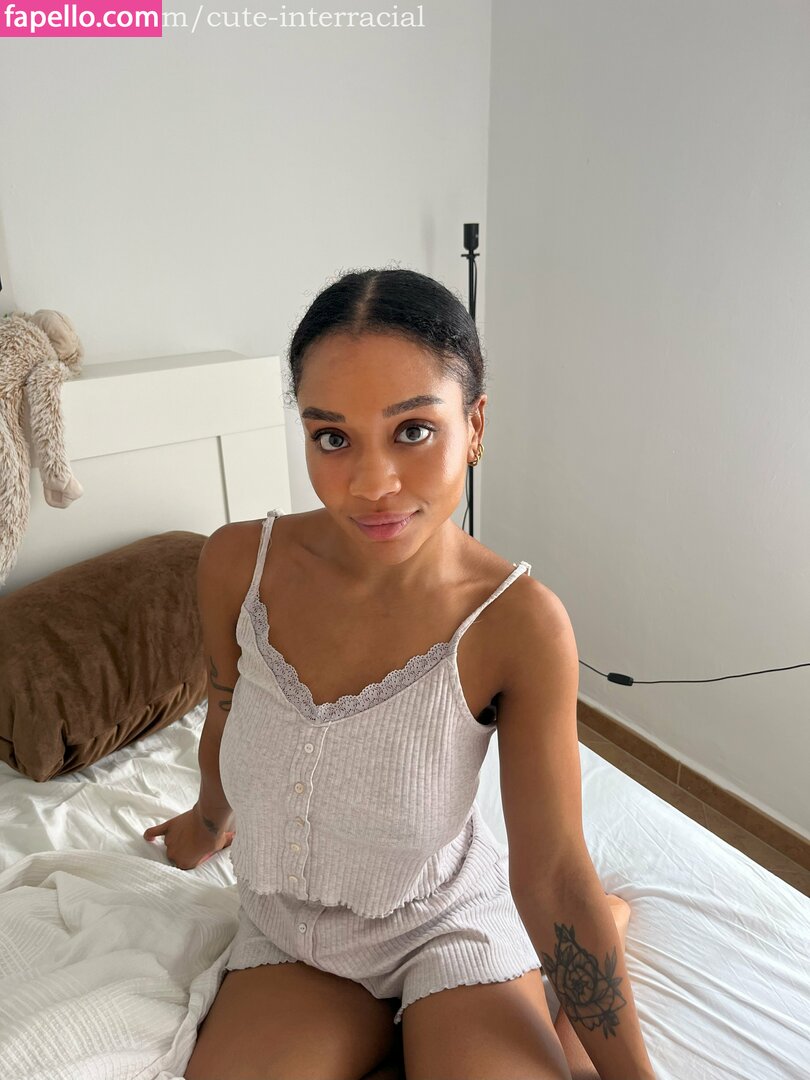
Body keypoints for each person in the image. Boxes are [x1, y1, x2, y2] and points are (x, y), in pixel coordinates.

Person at [144, 268, 656, 1080]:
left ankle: (544, 1000)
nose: (372, 485)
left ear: (474, 426)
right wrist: (206, 825)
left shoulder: (517, 624)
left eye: (413, 430)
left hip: (444, 925)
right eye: (332, 438)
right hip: (290, 933)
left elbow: (555, 876)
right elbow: (225, 707)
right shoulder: (239, 563)